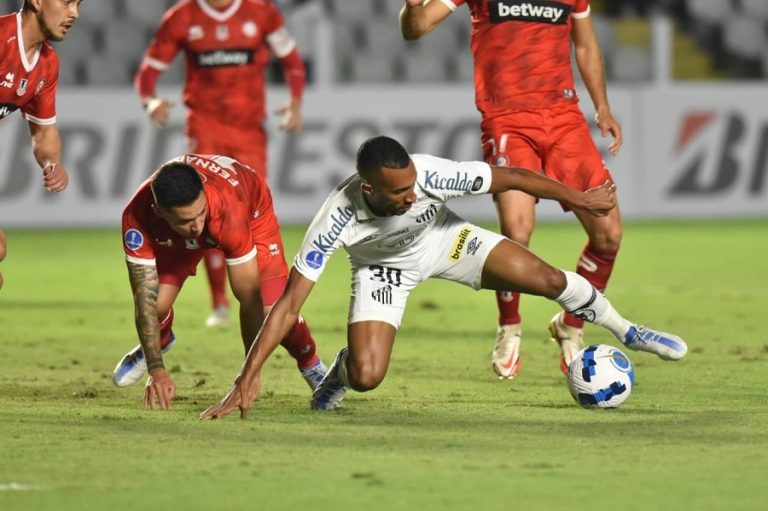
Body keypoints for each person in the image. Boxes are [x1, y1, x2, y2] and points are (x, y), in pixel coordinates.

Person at [200, 136, 687, 419]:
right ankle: (340, 374)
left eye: (414, 184)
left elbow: (512, 176)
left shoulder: (431, 175)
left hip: (446, 241)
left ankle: (628, 330)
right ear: (368, 188)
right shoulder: (336, 217)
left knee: (545, 278)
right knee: (369, 376)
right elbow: (287, 305)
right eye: (399, 192)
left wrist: (577, 200)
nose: (412, 195)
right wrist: (247, 376)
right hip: (381, 270)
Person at [400, 0, 625, 380]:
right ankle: (510, 325)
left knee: (609, 234)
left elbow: (584, 44)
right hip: (507, 119)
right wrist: (410, 8)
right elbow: (416, 27)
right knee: (517, 231)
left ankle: (571, 324)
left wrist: (602, 106)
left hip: (564, 119)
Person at [134, 0, 307, 329]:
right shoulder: (182, 17)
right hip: (205, 128)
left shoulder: (261, 11)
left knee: (246, 214)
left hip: (249, 132)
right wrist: (150, 100)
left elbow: (292, 60)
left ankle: (265, 298)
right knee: (207, 210)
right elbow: (148, 70)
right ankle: (219, 302)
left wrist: (296, 101)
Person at [112, 154, 326, 411]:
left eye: (200, 213)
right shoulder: (136, 217)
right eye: (185, 220)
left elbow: (249, 297)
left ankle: (311, 364)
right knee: (155, 305)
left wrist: (250, 373)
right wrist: (156, 369)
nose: (196, 225)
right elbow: (143, 300)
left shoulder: (226, 208)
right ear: (159, 211)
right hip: (174, 234)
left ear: (203, 194)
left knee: (272, 308)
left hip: (251, 208)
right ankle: (161, 340)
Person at [1, 0, 78, 288]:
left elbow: (44, 133)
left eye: (78, 4)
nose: (74, 14)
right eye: (67, 2)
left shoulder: (46, 63)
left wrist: (51, 164)